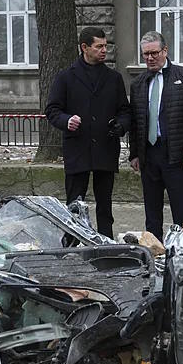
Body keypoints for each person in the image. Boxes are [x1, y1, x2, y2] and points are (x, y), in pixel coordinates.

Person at [45, 27, 130, 239]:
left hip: (105, 147)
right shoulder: (65, 77)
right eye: (99, 46)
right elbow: (52, 110)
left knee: (105, 205)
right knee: (75, 203)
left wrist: (120, 126)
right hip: (77, 148)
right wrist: (67, 121)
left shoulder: (114, 78)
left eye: (105, 46)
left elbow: (125, 111)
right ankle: (72, 242)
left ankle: (106, 243)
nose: (104, 50)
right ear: (84, 47)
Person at [129, 31, 183, 241]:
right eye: (145, 54)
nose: (150, 58)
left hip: (177, 155)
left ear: (165, 51)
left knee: (182, 214)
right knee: (152, 214)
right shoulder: (138, 84)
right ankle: (155, 254)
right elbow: (135, 120)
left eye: (154, 53)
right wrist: (134, 153)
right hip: (149, 156)